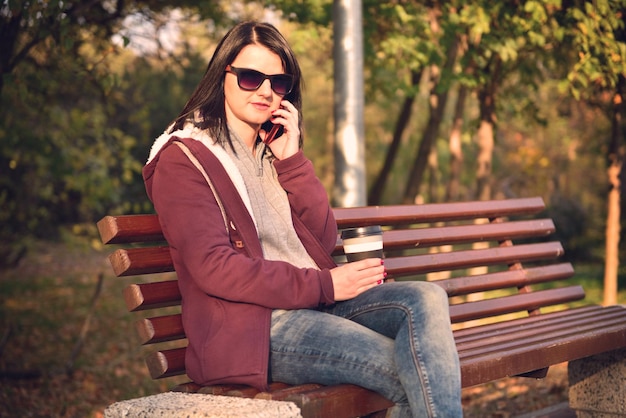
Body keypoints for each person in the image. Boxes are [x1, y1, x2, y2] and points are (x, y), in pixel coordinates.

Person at [142, 21, 462, 418]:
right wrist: (324, 284)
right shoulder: (185, 159)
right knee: (407, 371)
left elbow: (323, 240)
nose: (265, 90)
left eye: (278, 82)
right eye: (250, 77)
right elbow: (213, 267)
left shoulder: (272, 150)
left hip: (314, 306)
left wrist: (292, 161)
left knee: (427, 297)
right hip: (258, 328)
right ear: (222, 75)